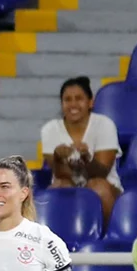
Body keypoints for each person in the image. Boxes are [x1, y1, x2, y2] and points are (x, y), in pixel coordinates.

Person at [40, 76, 122, 222]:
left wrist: (86, 158)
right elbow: (60, 175)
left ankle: (104, 239)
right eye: (67, 100)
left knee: (97, 186)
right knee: (60, 186)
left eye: (79, 98)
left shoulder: (105, 125)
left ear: (90, 102)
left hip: (106, 185)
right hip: (68, 183)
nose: (73, 104)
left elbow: (101, 172)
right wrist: (58, 159)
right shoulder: (50, 129)